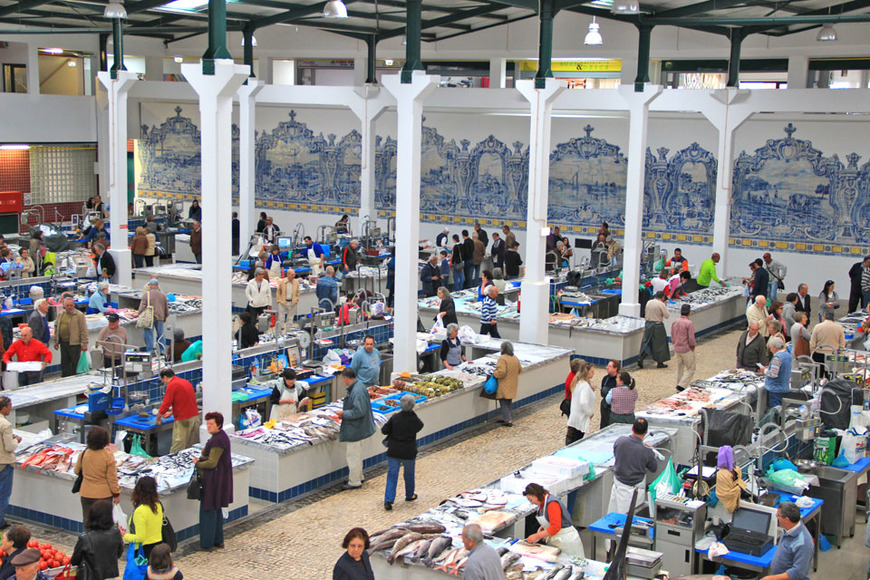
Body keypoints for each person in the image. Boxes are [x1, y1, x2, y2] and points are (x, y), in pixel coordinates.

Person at [194, 412, 232, 551]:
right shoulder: (220, 437)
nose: (209, 426)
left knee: (208, 511)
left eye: (211, 424)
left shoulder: (217, 441)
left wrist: (198, 463)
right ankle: (217, 540)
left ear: (219, 425)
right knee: (216, 510)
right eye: (208, 424)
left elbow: (212, 463)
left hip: (213, 481)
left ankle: (207, 542)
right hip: (219, 479)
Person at [381, 393, 423, 511]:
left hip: (394, 451)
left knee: (392, 475)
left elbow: (384, 430)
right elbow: (420, 426)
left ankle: (388, 500)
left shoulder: (395, 417)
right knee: (409, 474)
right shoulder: (414, 419)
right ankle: (409, 495)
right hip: (409, 451)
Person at [608, 419, 658, 516]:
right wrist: (650, 450)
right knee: (630, 522)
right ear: (646, 431)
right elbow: (653, 468)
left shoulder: (620, 441)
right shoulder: (646, 450)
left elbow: (617, 454)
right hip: (634, 490)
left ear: (632, 428)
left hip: (619, 485)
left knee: (614, 519)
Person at [74, 427, 120, 530]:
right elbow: (112, 479)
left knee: (87, 522)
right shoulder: (108, 456)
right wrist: (116, 494)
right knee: (104, 524)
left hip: (86, 493)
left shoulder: (84, 453)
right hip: (104, 496)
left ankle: (87, 543)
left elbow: (76, 471)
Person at [336, 368, 375, 490]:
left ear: (346, 378)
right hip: (359, 427)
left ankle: (354, 481)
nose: (343, 381)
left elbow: (358, 411)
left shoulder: (356, 391)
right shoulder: (359, 386)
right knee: (356, 454)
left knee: (352, 455)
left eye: (343, 379)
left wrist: (343, 414)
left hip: (355, 428)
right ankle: (359, 475)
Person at [523, 483, 585, 558]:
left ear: (535, 495)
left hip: (566, 542)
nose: (531, 503)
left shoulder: (552, 504)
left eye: (531, 499)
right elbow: (550, 520)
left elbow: (555, 527)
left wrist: (537, 536)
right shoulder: (542, 504)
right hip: (557, 541)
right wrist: (543, 528)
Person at [760, 502, 813, 580]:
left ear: (787, 520)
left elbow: (797, 573)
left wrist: (771, 578)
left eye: (778, 515)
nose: (777, 518)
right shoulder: (788, 530)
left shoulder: (804, 543)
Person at [156, 368, 200, 453]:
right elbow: (186, 400)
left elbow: (165, 404)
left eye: (163, 380)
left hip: (184, 421)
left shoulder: (172, 385)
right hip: (194, 418)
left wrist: (158, 418)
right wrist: (172, 412)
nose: (164, 383)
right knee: (191, 448)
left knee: (177, 448)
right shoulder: (185, 382)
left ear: (165, 377)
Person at [123, 476, 164, 559]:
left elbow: (140, 538)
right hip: (158, 547)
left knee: (143, 572)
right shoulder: (158, 505)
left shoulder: (140, 511)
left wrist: (125, 535)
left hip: (143, 552)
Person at [55, 294, 88, 377]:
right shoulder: (61, 313)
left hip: (74, 343)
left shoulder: (79, 315)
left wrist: (84, 343)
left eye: (71, 305)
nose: (69, 307)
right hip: (63, 343)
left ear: (74, 305)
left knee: (74, 363)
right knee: (64, 362)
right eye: (67, 305)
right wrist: (56, 341)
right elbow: (57, 326)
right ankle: (65, 377)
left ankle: (74, 378)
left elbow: (83, 330)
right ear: (64, 305)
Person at [566, 361, 595, 445]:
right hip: (580, 419)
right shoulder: (585, 386)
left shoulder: (577, 383)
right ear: (586, 372)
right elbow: (583, 402)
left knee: (572, 439)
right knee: (576, 441)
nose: (593, 373)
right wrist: (590, 413)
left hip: (574, 418)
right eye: (592, 371)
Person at [493, 341, 522, 427]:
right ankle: (507, 417)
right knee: (508, 401)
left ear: (503, 349)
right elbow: (519, 369)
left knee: (503, 401)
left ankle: (507, 420)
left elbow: (501, 372)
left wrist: (495, 374)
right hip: (513, 382)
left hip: (504, 383)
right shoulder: (514, 358)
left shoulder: (502, 358)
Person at [638, 291, 670, 369]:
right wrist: (665, 306)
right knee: (659, 344)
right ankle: (660, 362)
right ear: (662, 297)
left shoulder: (649, 302)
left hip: (648, 324)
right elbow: (667, 316)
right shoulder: (661, 304)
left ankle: (642, 356)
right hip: (657, 325)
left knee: (646, 342)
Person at [0, 399, 18, 531]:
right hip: (3, 463)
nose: (11, 408)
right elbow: (9, 447)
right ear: (4, 408)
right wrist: (16, 440)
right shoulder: (5, 424)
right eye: (10, 406)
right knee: (3, 494)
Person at [759, 337, 792, 408]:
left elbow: (773, 374)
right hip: (784, 387)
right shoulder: (788, 355)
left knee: (775, 411)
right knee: (781, 410)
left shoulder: (777, 358)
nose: (770, 350)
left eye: (770, 348)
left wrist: (764, 370)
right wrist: (770, 367)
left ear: (775, 347)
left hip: (775, 390)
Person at [810, 310, 845, 375]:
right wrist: (840, 353)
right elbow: (842, 343)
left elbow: (812, 343)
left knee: (818, 376)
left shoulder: (817, 326)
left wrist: (813, 352)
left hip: (819, 353)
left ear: (823, 317)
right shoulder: (839, 327)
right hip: (832, 354)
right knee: (831, 375)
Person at [139, 279, 168, 356]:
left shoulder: (146, 294)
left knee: (149, 334)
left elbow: (142, 306)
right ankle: (162, 351)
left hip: (149, 318)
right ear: (157, 285)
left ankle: (150, 351)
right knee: (161, 334)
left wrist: (139, 314)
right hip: (160, 317)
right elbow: (166, 307)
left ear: (150, 286)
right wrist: (165, 316)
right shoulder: (162, 295)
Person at [714, 446, 746, 514]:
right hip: (727, 503)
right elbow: (724, 494)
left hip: (730, 502)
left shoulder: (734, 470)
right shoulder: (725, 473)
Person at [671, 304, 696, 392]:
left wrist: (675, 344)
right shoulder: (689, 323)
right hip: (686, 348)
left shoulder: (675, 322)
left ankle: (679, 384)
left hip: (677, 348)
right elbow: (691, 338)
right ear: (689, 313)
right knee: (691, 368)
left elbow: (672, 335)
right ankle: (681, 386)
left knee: (679, 368)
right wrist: (692, 346)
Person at [600, 359, 620, 429]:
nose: (607, 367)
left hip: (614, 408)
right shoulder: (605, 379)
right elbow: (602, 392)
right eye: (607, 366)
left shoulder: (619, 380)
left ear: (615, 369)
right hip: (605, 406)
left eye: (610, 366)